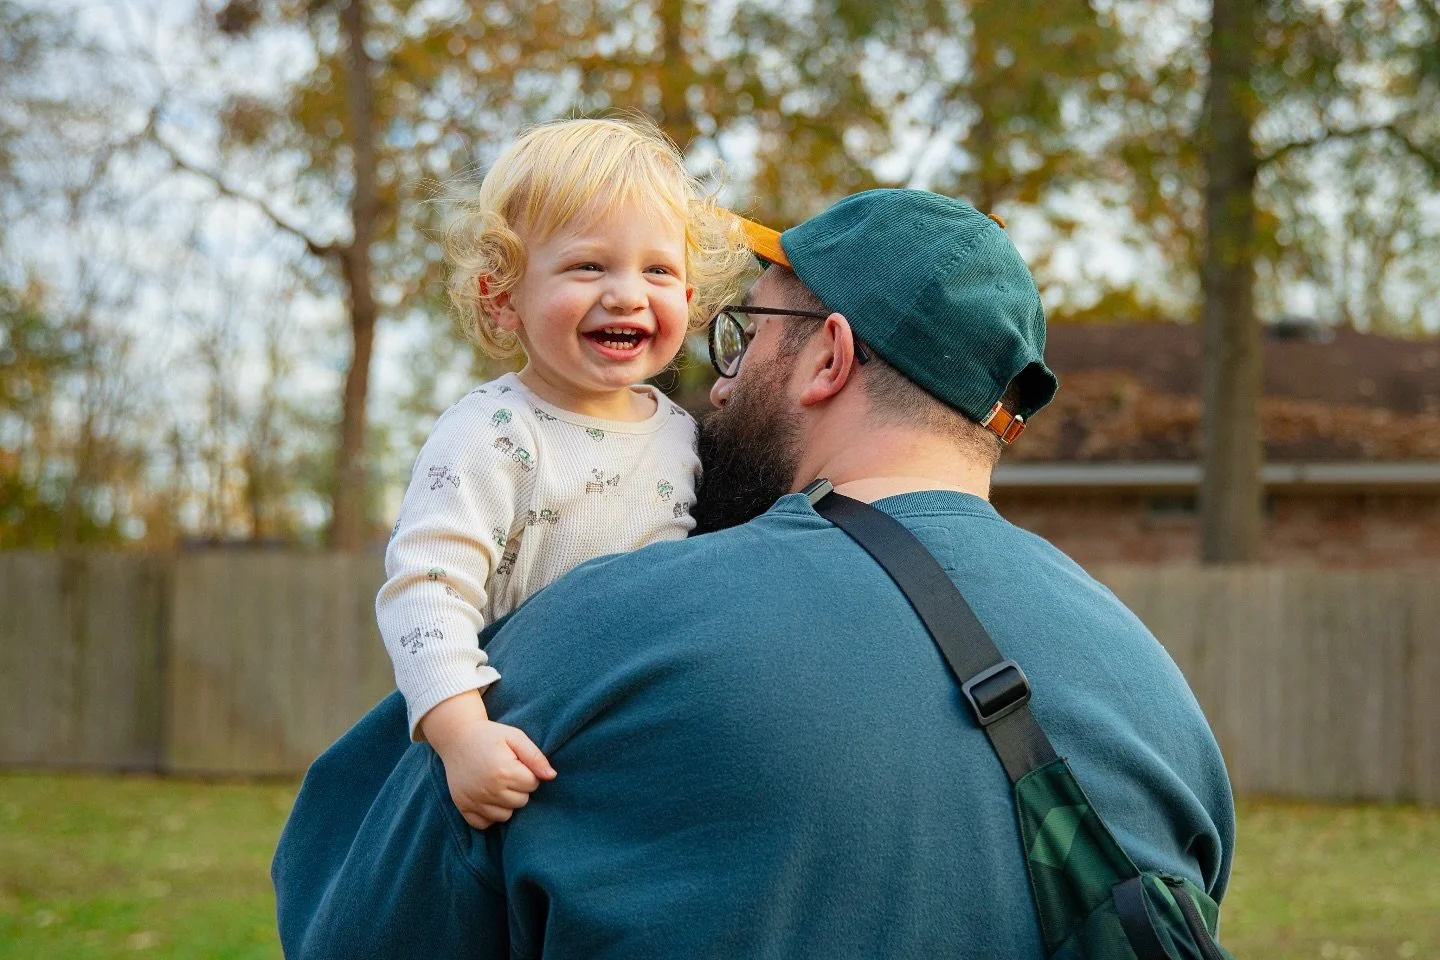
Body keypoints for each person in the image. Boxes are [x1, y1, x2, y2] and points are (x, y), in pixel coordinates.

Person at [274, 188, 1235, 959]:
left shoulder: (602, 632)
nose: (716, 381)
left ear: (828, 358)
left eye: (746, 334)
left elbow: (347, 919)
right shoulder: (1161, 695)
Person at [376, 116, 751, 829]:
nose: (627, 294)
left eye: (659, 270)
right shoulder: (490, 433)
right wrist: (462, 736)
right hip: (515, 746)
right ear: (503, 297)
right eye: (589, 266)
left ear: (692, 296)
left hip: (642, 745)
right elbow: (426, 589)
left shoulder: (686, 437)